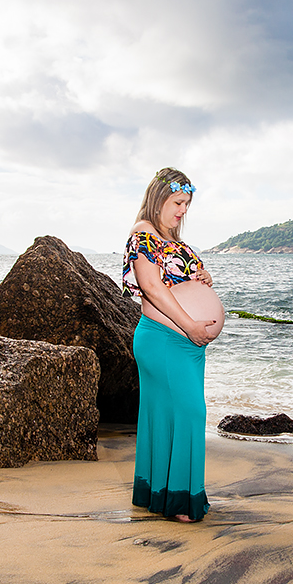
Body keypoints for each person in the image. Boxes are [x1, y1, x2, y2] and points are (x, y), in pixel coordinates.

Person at [122, 167, 220, 522]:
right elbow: (152, 287)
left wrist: (203, 277)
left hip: (187, 345)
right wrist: (190, 324)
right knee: (190, 413)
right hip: (165, 339)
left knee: (166, 416)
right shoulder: (143, 234)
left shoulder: (172, 241)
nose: (183, 210)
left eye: (187, 204)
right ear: (159, 198)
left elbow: (180, 282)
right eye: (178, 202)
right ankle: (180, 501)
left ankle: (158, 494)